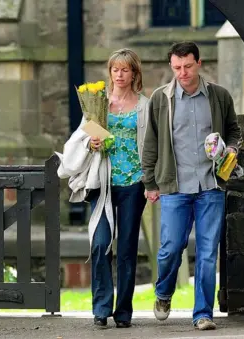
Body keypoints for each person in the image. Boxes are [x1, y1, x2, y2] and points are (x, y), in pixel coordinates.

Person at [141, 41, 242, 331]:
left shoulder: (219, 96)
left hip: (211, 183)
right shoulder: (161, 99)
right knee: (171, 248)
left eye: (187, 66)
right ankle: (163, 292)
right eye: (176, 67)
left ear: (199, 63)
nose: (182, 73)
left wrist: (232, 149)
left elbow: (233, 130)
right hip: (174, 186)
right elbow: (151, 145)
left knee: (208, 252)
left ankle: (202, 314)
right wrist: (150, 182)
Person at [56, 48, 148, 328]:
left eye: (125, 70)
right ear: (110, 73)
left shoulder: (145, 105)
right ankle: (101, 308)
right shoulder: (98, 103)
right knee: (100, 244)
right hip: (103, 183)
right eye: (115, 70)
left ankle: (123, 312)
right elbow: (80, 138)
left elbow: (152, 143)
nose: (119, 75)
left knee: (127, 249)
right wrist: (91, 142)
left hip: (133, 182)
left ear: (134, 73)